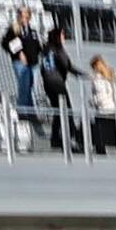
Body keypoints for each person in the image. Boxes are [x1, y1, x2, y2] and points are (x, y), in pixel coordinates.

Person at [39, 9, 76, 153]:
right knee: (67, 111)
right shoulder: (58, 50)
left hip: (48, 84)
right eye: (62, 35)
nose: (64, 37)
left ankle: (55, 138)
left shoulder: (46, 50)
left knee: (57, 111)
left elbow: (43, 69)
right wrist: (84, 75)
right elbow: (68, 66)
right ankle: (70, 138)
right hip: (58, 84)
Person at [3, 5, 37, 126]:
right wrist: (19, 53)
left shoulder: (32, 31)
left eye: (27, 16)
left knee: (29, 88)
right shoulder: (14, 30)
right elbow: (5, 43)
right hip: (20, 63)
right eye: (22, 15)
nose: (24, 18)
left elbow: (36, 46)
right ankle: (22, 111)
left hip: (32, 64)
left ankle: (31, 112)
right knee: (23, 86)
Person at [87, 45, 116, 156]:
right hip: (113, 109)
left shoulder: (97, 80)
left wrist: (92, 102)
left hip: (103, 110)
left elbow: (98, 96)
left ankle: (101, 152)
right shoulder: (113, 75)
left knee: (100, 135)